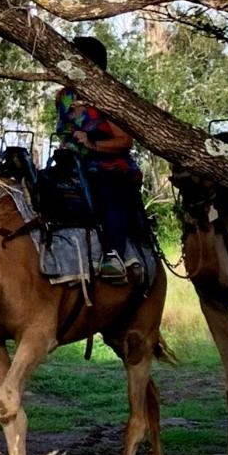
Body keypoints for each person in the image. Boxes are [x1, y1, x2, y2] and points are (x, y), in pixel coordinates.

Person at [54, 36, 145, 279]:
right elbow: (64, 130)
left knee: (108, 188)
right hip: (74, 164)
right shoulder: (63, 96)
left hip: (107, 165)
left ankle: (114, 254)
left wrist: (93, 145)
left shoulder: (107, 96)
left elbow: (125, 141)